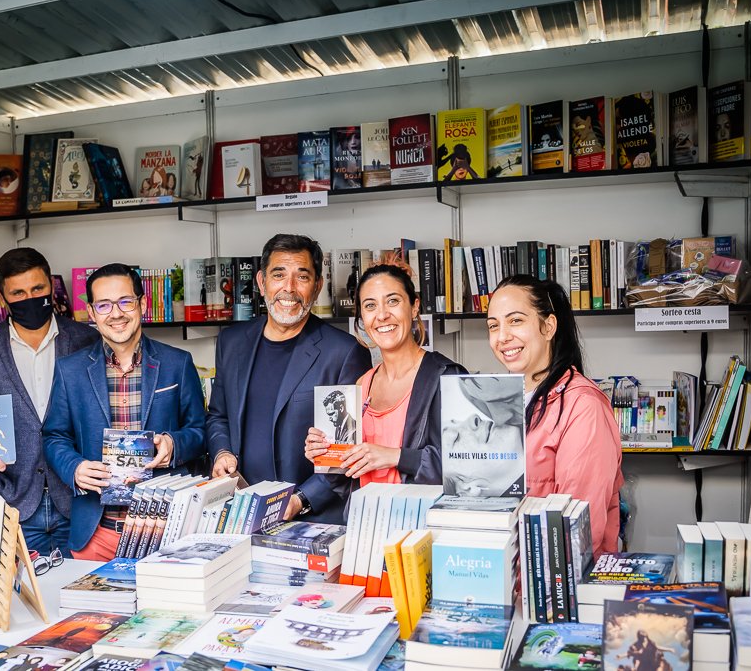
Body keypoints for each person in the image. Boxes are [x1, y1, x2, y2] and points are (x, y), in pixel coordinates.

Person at [43, 263, 207, 560]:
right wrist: (75, 468)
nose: (116, 313)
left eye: (125, 301)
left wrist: (173, 445)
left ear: (142, 304)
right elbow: (54, 436)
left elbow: (199, 431)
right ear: (91, 313)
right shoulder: (70, 370)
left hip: (166, 531)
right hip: (97, 534)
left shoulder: (178, 363)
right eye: (104, 305)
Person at [208, 234, 371, 524]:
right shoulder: (231, 342)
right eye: (278, 274)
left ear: (317, 286)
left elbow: (345, 451)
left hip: (311, 518)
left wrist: (301, 500)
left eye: (302, 277)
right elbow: (219, 415)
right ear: (262, 282)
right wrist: (221, 452)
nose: (289, 288)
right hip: (240, 510)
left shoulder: (344, 353)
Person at [0, 248, 99, 557]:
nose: (29, 299)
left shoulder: (87, 339)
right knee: (22, 589)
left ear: (51, 287)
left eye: (37, 289)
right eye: (18, 293)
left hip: (79, 500)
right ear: (2, 296)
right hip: (15, 503)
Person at [485, 274, 623, 554]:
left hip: (552, 574)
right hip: (498, 568)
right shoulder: (498, 399)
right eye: (493, 325)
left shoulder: (583, 406)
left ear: (548, 327)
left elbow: (576, 529)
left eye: (515, 320)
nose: (502, 337)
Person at [304, 263, 465, 487]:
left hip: (421, 510)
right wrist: (326, 455)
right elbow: (344, 480)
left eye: (393, 301)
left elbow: (465, 467)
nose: (382, 315)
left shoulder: (447, 378)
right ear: (362, 317)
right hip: (365, 510)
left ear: (414, 306)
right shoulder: (361, 385)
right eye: (370, 305)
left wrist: (395, 456)